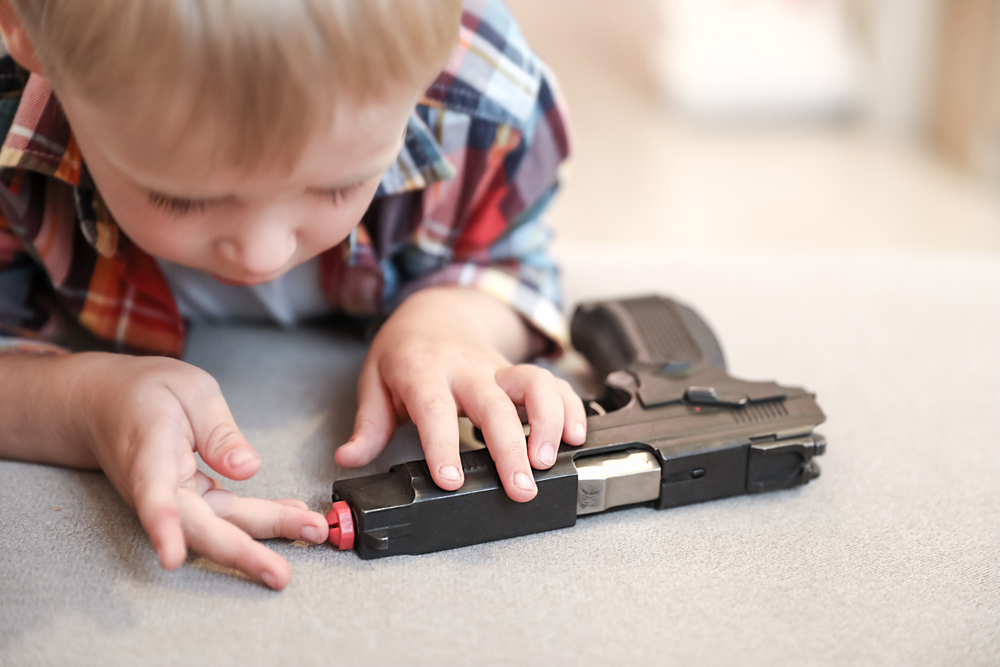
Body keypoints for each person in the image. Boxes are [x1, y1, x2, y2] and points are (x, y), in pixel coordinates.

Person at [0, 0, 586, 590]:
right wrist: (85, 406)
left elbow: (513, 262)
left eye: (338, 185)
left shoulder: (476, 98)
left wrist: (451, 323)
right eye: (181, 199)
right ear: (25, 30)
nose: (262, 254)